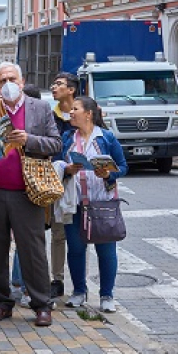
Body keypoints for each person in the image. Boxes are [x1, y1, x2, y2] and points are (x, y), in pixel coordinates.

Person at [0, 62, 61, 328]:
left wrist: (29, 140)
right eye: (2, 80)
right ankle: (1, 302)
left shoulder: (41, 108)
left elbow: (56, 143)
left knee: (32, 251)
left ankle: (41, 304)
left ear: (22, 82)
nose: (8, 83)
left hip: (27, 193)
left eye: (12, 78)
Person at [62, 96, 128, 313]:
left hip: (103, 203)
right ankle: (79, 292)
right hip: (76, 203)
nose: (71, 112)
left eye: (75, 109)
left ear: (88, 114)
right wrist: (66, 169)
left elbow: (123, 166)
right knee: (76, 250)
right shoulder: (67, 137)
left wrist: (109, 174)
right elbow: (58, 163)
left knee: (106, 250)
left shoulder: (106, 138)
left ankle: (107, 295)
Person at [46, 71, 79, 299]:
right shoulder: (51, 116)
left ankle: (80, 283)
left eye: (59, 84)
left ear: (72, 89)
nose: (53, 87)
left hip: (82, 184)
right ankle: (57, 280)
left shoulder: (86, 112)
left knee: (79, 235)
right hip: (58, 181)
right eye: (54, 83)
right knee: (58, 233)